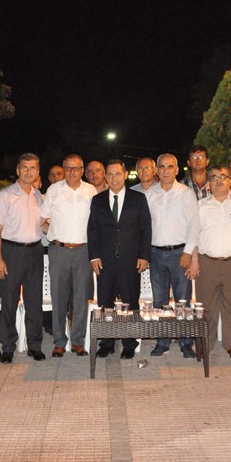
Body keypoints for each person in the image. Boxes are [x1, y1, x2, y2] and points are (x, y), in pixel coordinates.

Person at [189, 166, 231, 359]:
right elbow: (193, 236)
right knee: (205, 306)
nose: (219, 180)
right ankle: (204, 343)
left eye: (223, 176)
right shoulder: (200, 206)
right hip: (207, 262)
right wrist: (194, 260)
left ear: (230, 180)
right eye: (214, 178)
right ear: (209, 184)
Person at [87, 160, 152, 359]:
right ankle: (107, 343)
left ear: (125, 174)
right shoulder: (97, 200)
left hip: (130, 261)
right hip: (105, 261)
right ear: (105, 177)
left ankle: (129, 344)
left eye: (117, 174)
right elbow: (92, 230)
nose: (114, 178)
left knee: (130, 303)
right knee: (105, 303)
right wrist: (94, 256)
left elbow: (146, 228)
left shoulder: (138, 199)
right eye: (110, 174)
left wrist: (144, 256)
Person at [40, 154, 97, 357]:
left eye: (76, 168)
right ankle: (59, 341)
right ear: (64, 169)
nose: (72, 172)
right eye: (68, 168)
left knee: (81, 298)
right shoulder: (53, 190)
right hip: (59, 251)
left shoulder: (91, 191)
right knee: (58, 297)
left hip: (83, 250)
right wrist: (54, 235)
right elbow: (42, 220)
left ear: (82, 170)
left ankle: (78, 341)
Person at [0, 153, 46, 364]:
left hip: (35, 252)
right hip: (11, 252)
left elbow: (44, 225)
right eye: (25, 167)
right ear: (17, 170)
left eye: (33, 168)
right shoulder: (5, 195)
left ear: (37, 172)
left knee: (34, 301)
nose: (28, 172)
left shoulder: (39, 196)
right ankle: (7, 347)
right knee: (9, 302)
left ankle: (35, 346)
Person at [145, 153, 199, 358]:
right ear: (156, 171)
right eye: (162, 167)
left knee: (182, 301)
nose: (166, 170)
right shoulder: (150, 194)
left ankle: (186, 342)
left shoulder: (185, 193)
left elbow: (194, 225)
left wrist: (187, 252)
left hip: (179, 254)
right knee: (159, 301)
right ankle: (163, 341)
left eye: (170, 167)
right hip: (155, 254)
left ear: (177, 170)